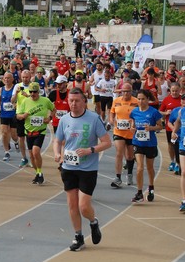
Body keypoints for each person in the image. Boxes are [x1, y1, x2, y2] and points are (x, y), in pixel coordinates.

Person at [53, 87, 111, 251]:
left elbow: (107, 142)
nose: (73, 104)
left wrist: (90, 150)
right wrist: (57, 153)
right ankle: (78, 236)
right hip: (68, 167)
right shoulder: (64, 120)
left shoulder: (94, 119)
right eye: (71, 100)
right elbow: (57, 141)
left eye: (77, 101)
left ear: (85, 102)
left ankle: (93, 222)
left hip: (88, 168)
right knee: (72, 205)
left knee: (84, 206)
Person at [16, 82, 55, 185]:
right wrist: (23, 116)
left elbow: (54, 109)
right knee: (31, 156)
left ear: (39, 92)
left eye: (35, 92)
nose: (33, 94)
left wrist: (49, 118)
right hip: (28, 131)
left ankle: (40, 173)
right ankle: (38, 173)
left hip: (40, 131)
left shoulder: (45, 101)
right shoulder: (25, 101)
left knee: (35, 152)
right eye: (31, 92)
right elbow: (18, 115)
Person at [130, 89, 163, 203]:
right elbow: (132, 124)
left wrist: (152, 128)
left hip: (150, 143)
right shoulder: (134, 112)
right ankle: (139, 192)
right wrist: (132, 128)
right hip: (138, 142)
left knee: (149, 167)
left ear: (148, 99)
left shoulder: (154, 112)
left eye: (143, 99)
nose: (141, 101)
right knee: (139, 168)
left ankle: (151, 186)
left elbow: (160, 126)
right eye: (138, 99)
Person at [109, 83, 138, 187]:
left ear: (131, 91)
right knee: (119, 153)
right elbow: (112, 112)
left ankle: (129, 174)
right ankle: (118, 177)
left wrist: (135, 123)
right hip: (119, 131)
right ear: (121, 91)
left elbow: (140, 113)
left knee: (130, 156)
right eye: (124, 91)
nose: (126, 93)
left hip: (130, 133)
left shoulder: (136, 102)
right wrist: (111, 120)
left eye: (128, 91)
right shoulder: (116, 101)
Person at [159, 83, 182, 173]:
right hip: (170, 127)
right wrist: (165, 113)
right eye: (173, 91)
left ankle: (178, 162)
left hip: (181, 128)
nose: (175, 92)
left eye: (176, 91)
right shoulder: (166, 99)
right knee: (171, 145)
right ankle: (172, 161)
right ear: (170, 91)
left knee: (179, 146)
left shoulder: (182, 100)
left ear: (179, 90)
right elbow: (160, 111)